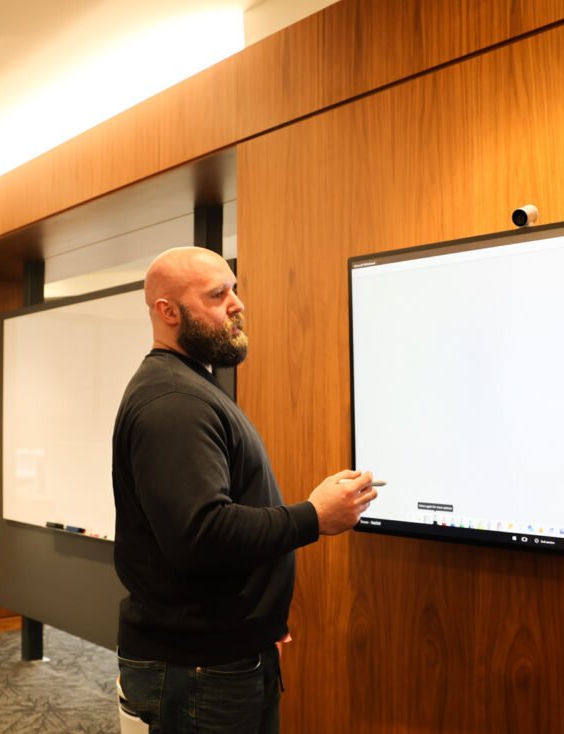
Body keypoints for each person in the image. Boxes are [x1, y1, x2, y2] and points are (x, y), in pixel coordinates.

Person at [112, 246, 378, 733]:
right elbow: (201, 534)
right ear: (168, 312)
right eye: (217, 295)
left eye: (234, 289)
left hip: (224, 653)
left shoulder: (191, 386)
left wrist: (259, 624)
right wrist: (314, 516)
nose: (238, 304)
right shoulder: (174, 401)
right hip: (198, 669)